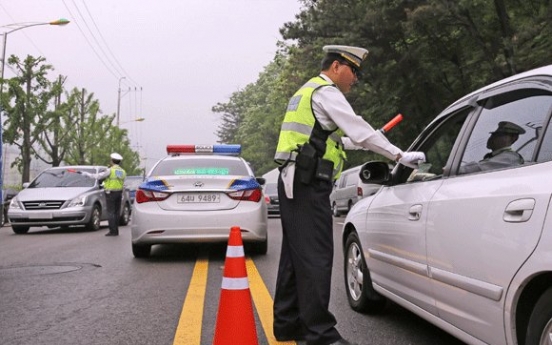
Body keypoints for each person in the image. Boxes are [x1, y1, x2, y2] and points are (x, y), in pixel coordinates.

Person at [272, 45, 425, 345]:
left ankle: (287, 323)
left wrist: (365, 140)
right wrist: (398, 155)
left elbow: (332, 138)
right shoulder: (327, 92)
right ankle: (319, 334)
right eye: (353, 70)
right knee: (316, 257)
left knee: (295, 257)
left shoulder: (307, 91)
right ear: (337, 66)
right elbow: (358, 129)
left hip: (294, 181)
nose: (355, 78)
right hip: (305, 183)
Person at [81, 152, 127, 236]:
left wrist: (86, 174)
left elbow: (98, 176)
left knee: (111, 212)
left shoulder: (110, 170)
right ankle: (116, 230)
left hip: (111, 193)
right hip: (119, 193)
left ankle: (112, 231)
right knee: (116, 212)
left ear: (112, 161)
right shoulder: (122, 171)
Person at [459, 121, 525, 174]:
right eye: (493, 135)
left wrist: (454, 169)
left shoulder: (508, 158)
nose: (492, 138)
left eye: (499, 135)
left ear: (513, 138)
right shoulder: (497, 156)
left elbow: (478, 168)